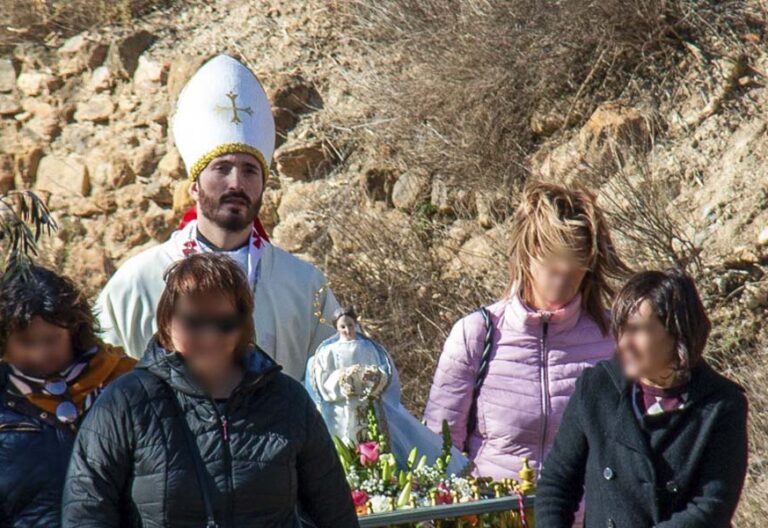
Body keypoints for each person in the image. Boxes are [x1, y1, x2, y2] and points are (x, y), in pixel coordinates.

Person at [63, 253, 358, 528]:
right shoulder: (125, 403)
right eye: (193, 321)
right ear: (167, 322)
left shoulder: (288, 400)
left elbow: (333, 511)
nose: (209, 336)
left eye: (223, 322)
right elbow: (87, 510)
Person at [96, 54, 338, 378]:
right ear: (194, 187)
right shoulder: (136, 286)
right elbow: (100, 390)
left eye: (250, 170)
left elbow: (339, 388)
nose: (237, 183)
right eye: (222, 168)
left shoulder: (304, 287)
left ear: (264, 186)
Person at [424, 181, 631, 480]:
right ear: (528, 253)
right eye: (553, 269)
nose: (563, 283)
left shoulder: (615, 338)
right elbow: (440, 450)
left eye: (575, 271)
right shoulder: (476, 335)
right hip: (496, 515)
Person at [536, 269, 748, 528]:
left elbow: (710, 507)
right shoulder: (597, 389)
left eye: (637, 330)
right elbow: (557, 484)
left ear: (676, 332)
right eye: (621, 329)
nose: (624, 343)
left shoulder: (721, 404)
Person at [0, 265, 135, 527]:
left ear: (74, 331)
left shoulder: (126, 384)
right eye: (27, 342)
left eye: (52, 339)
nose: (41, 354)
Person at [305, 307, 468, 473]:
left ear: (356, 324)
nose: (347, 330)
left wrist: (373, 377)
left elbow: (385, 374)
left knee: (382, 443)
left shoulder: (369, 348)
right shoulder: (328, 352)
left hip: (371, 406)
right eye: (343, 327)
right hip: (343, 411)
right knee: (345, 445)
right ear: (336, 328)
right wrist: (345, 379)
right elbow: (323, 382)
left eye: (350, 325)